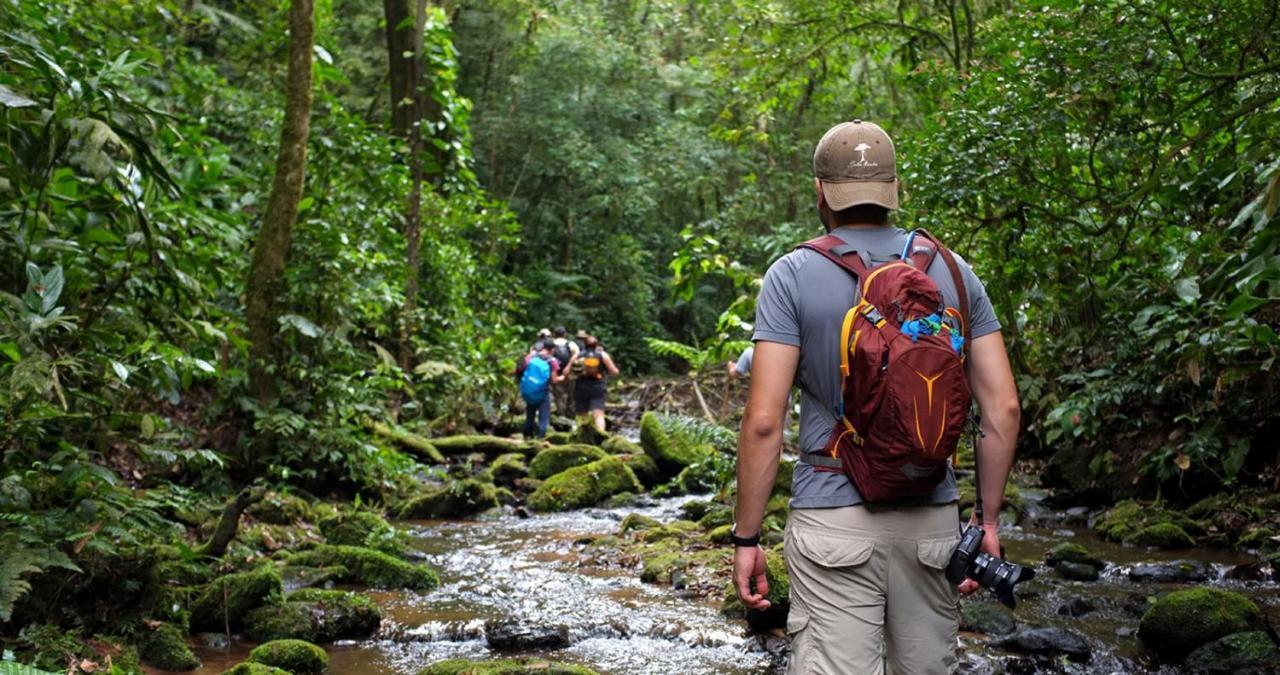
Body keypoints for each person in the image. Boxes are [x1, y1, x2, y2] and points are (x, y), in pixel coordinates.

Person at [731, 120, 1020, 674]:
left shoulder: (792, 275)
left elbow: (764, 423)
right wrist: (985, 524)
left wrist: (747, 537)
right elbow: (1002, 410)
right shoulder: (955, 272)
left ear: (820, 190)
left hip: (831, 517)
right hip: (933, 522)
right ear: (893, 189)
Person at [515, 340, 564, 439]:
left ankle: (527, 436)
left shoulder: (531, 356)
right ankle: (541, 436)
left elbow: (520, 368)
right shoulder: (552, 361)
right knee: (544, 415)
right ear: (552, 349)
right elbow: (554, 380)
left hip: (529, 390)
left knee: (530, 413)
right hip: (542, 392)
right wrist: (562, 377)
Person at [573, 335, 619, 433]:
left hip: (582, 386)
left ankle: (581, 436)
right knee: (598, 414)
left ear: (584, 345)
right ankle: (601, 435)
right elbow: (614, 372)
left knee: (582, 414)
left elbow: (566, 371)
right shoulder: (603, 355)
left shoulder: (579, 355)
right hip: (598, 386)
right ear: (596, 345)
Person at [550, 326, 580, 415]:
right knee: (571, 394)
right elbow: (577, 354)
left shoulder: (551, 344)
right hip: (570, 373)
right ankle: (570, 414)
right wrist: (569, 366)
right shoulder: (571, 344)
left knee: (558, 394)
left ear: (554, 335)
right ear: (565, 334)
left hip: (556, 373)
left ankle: (561, 414)